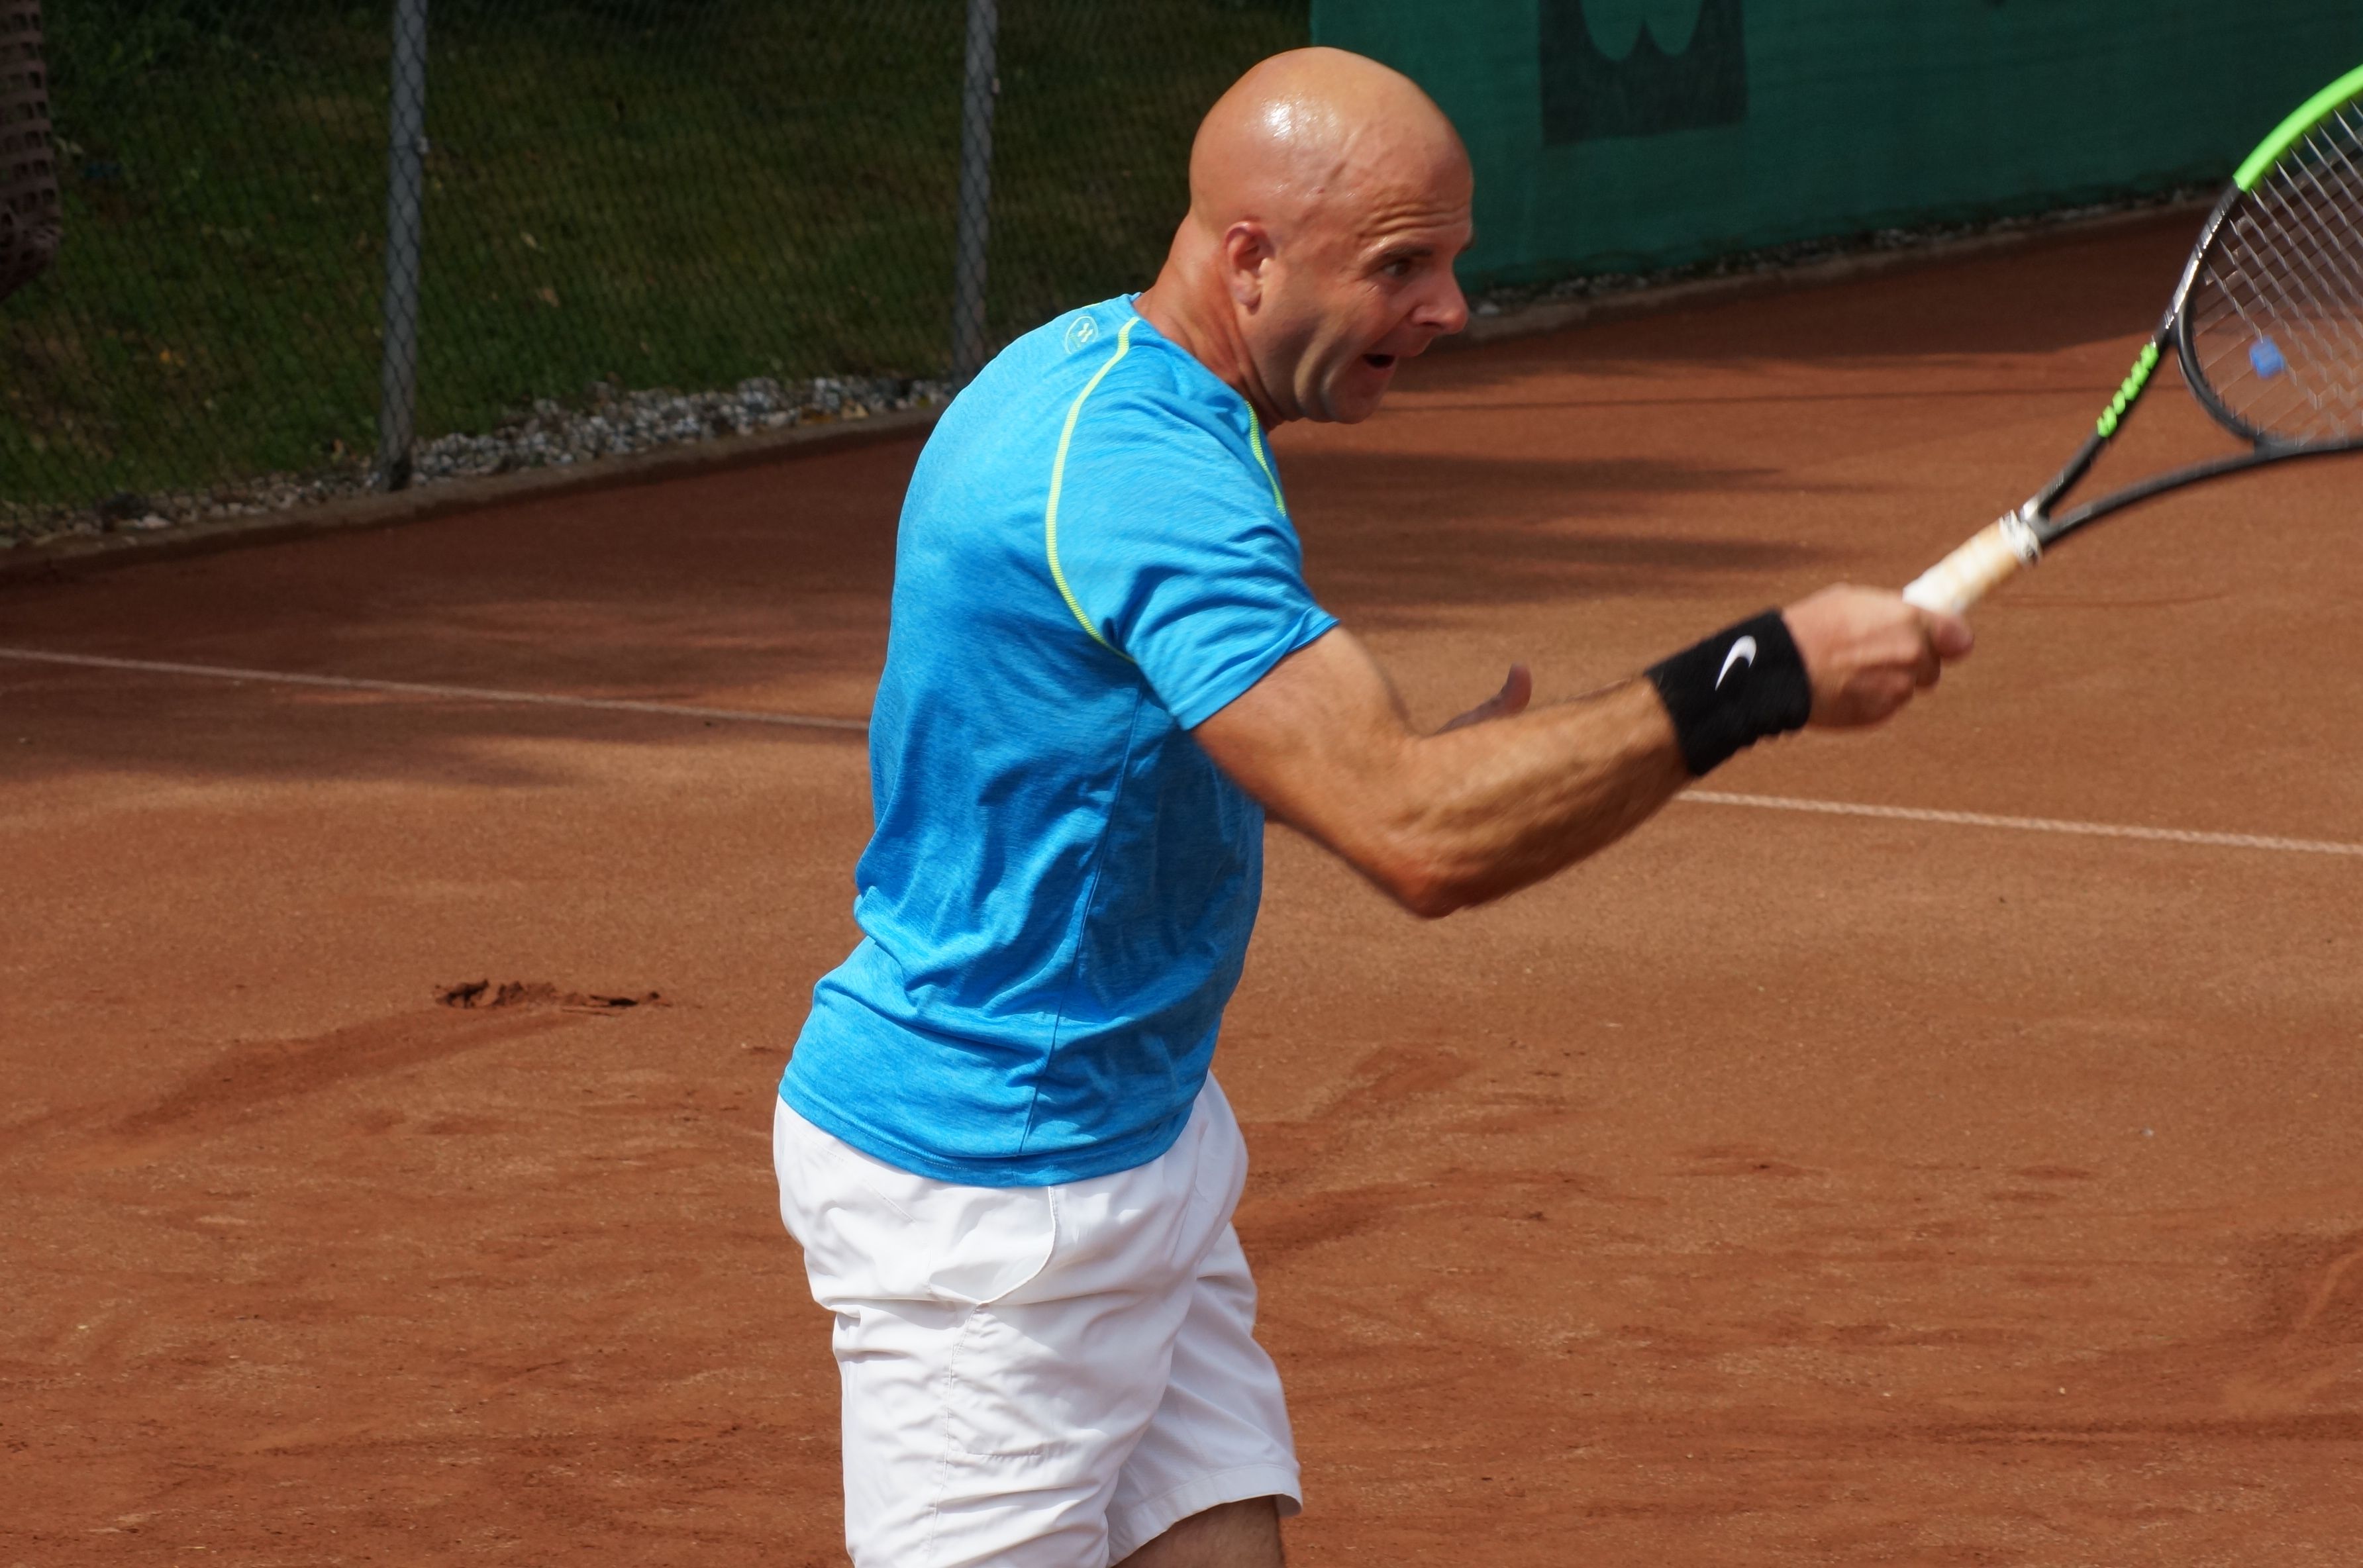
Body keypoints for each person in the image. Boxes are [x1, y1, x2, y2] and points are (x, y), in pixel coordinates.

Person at [773, 46, 1971, 1568]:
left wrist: (1353, 766)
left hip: (1135, 1122)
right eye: (1401, 266)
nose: (1449, 308)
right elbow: (1420, 837)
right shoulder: (1145, 479)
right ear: (1250, 260)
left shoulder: (1100, 377)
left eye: (1451, 262)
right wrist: (1762, 671)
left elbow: (1098, 749)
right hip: (1000, 1192)